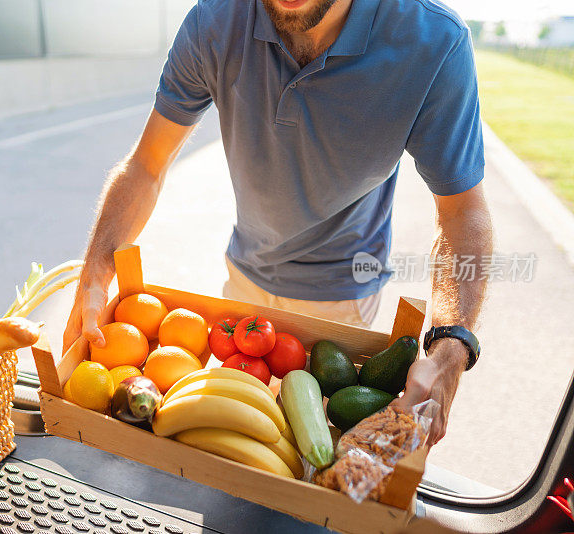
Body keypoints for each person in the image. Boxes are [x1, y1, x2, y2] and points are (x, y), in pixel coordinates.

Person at [63, 0, 493, 445]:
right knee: (237, 443)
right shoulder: (215, 22)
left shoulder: (434, 42)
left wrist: (451, 346)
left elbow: (463, 212)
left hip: (341, 302)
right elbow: (146, 165)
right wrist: (96, 269)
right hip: (244, 285)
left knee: (319, 454)